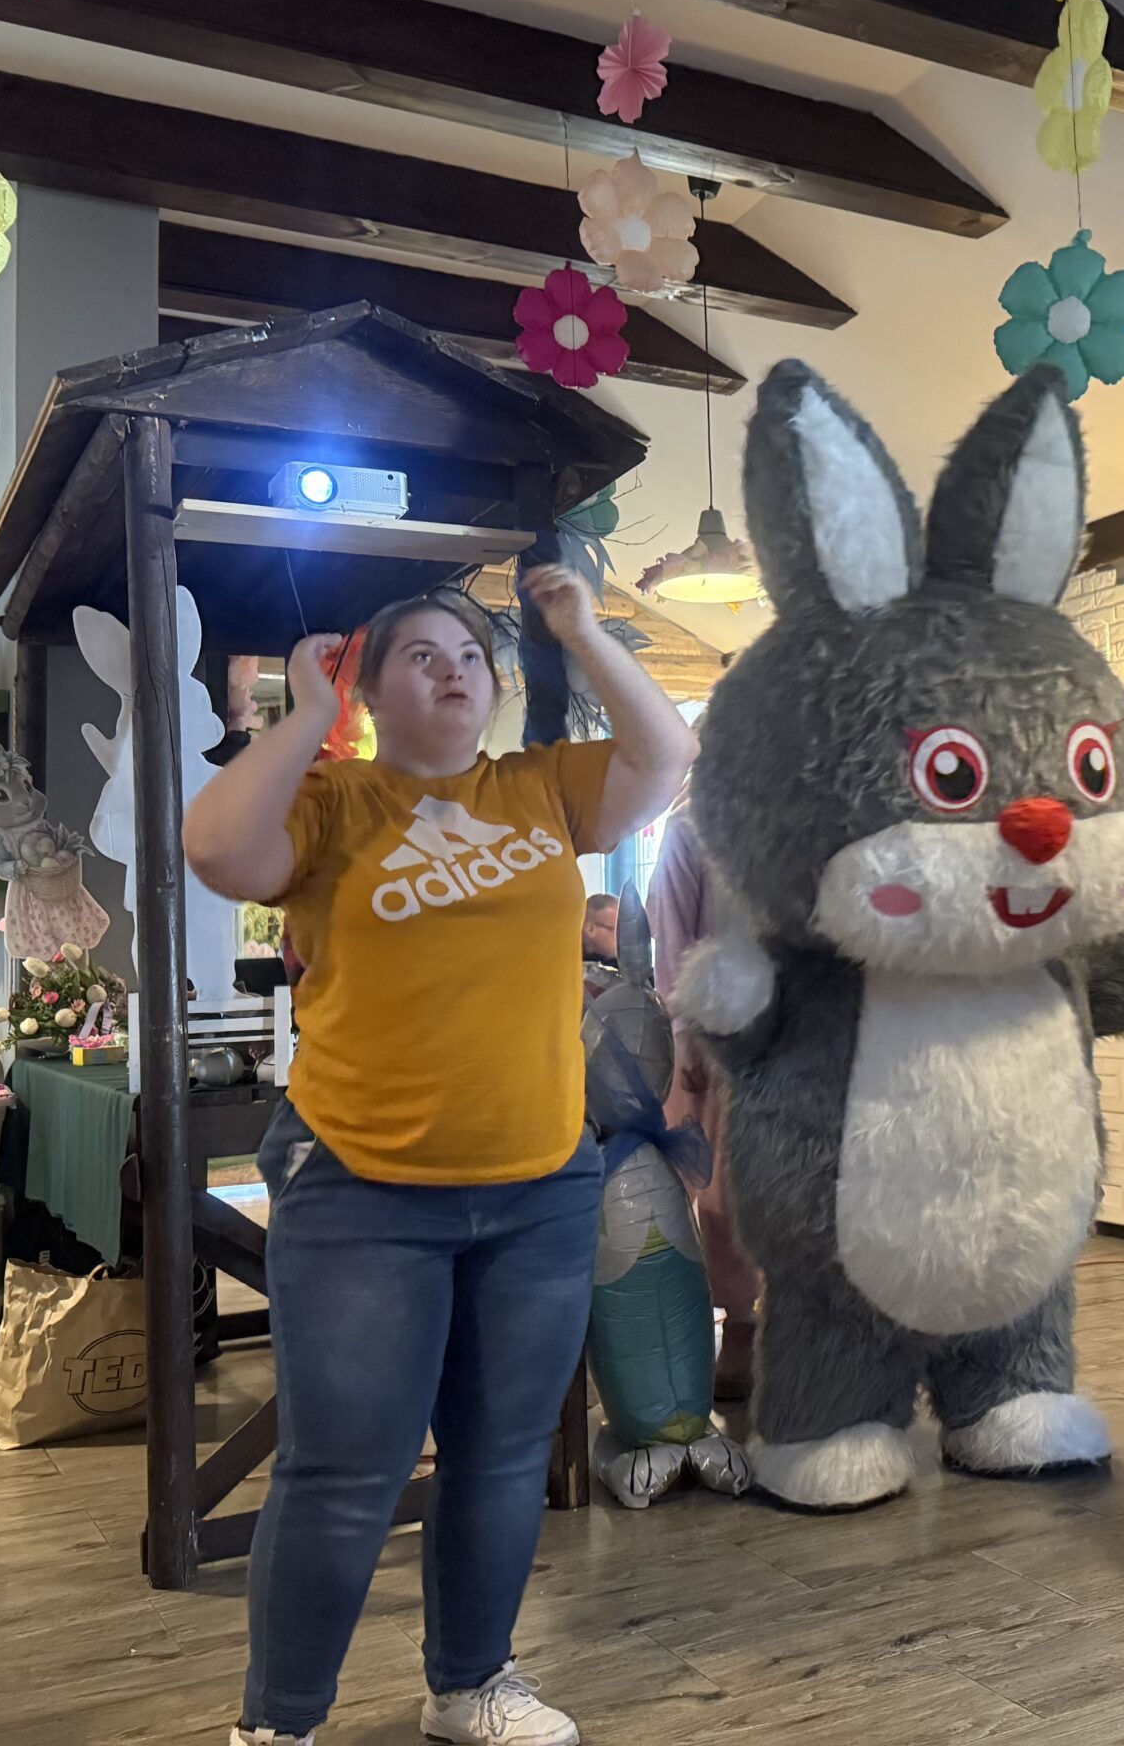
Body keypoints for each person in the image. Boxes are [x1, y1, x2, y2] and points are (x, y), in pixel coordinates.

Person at [185, 572, 696, 1746]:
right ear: (370, 688)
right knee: (344, 1470)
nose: (454, 670)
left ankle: (470, 1684)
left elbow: (665, 755)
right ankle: (279, 1724)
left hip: (540, 1184)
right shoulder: (332, 800)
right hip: (361, 1187)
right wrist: (308, 714)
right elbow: (214, 847)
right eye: (420, 654)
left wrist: (578, 631)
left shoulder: (536, 789)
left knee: (502, 1456)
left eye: (469, 654)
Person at [644, 804, 758, 1401]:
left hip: (798, 1029)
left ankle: (787, 1326)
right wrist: (685, 1031)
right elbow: (671, 934)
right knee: (715, 1193)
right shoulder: (692, 822)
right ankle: (738, 1321)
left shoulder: (796, 805)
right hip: (716, 1032)